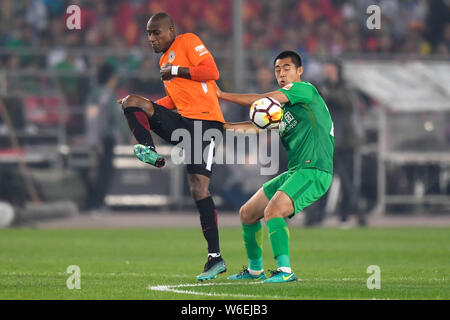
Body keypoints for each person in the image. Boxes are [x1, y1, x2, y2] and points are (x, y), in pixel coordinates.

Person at [117, 12, 226, 281]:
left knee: (198, 188)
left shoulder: (188, 42)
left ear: (171, 30)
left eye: (157, 32)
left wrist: (177, 70)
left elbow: (212, 72)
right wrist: (145, 105)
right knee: (132, 101)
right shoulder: (164, 61)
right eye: (149, 34)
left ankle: (215, 257)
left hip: (207, 124)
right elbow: (175, 102)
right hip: (184, 121)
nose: (152, 38)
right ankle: (147, 149)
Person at [217, 51, 334, 283]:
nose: (281, 73)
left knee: (273, 211)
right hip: (296, 170)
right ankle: (254, 270)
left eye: (287, 68)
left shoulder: (305, 90)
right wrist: (222, 126)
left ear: (299, 71)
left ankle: (285, 271)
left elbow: (260, 100)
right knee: (247, 213)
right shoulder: (284, 110)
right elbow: (255, 127)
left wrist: (221, 95)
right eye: (277, 69)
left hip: (315, 170)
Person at [320, 60, 365, 227]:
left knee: (348, 181)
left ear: (338, 70)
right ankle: (318, 216)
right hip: (326, 140)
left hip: (346, 141)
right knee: (322, 180)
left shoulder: (346, 87)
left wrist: (328, 93)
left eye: (331, 69)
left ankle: (345, 215)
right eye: (326, 69)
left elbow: (347, 102)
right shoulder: (321, 87)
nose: (328, 72)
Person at [85, 62, 129, 212]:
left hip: (94, 137)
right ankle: (98, 204)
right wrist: (128, 134)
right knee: (105, 171)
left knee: (95, 171)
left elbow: (90, 117)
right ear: (111, 78)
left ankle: (92, 203)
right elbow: (116, 118)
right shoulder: (108, 95)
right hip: (106, 138)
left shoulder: (94, 93)